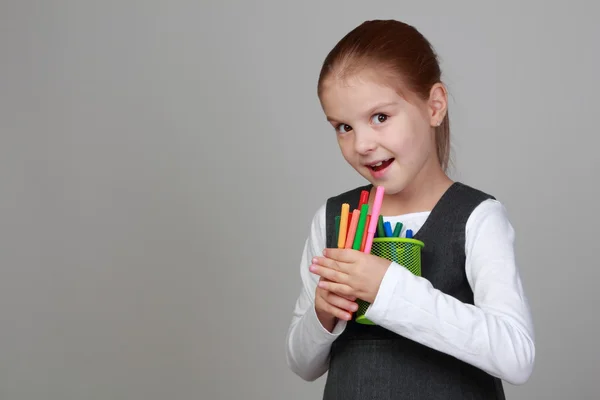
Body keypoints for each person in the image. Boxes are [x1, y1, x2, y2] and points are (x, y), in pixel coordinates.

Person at [284, 19, 535, 399]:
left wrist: (388, 289)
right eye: (343, 127)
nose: (362, 144)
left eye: (380, 117)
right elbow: (302, 364)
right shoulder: (332, 219)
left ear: (434, 106)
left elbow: (516, 355)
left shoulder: (478, 217)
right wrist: (322, 314)